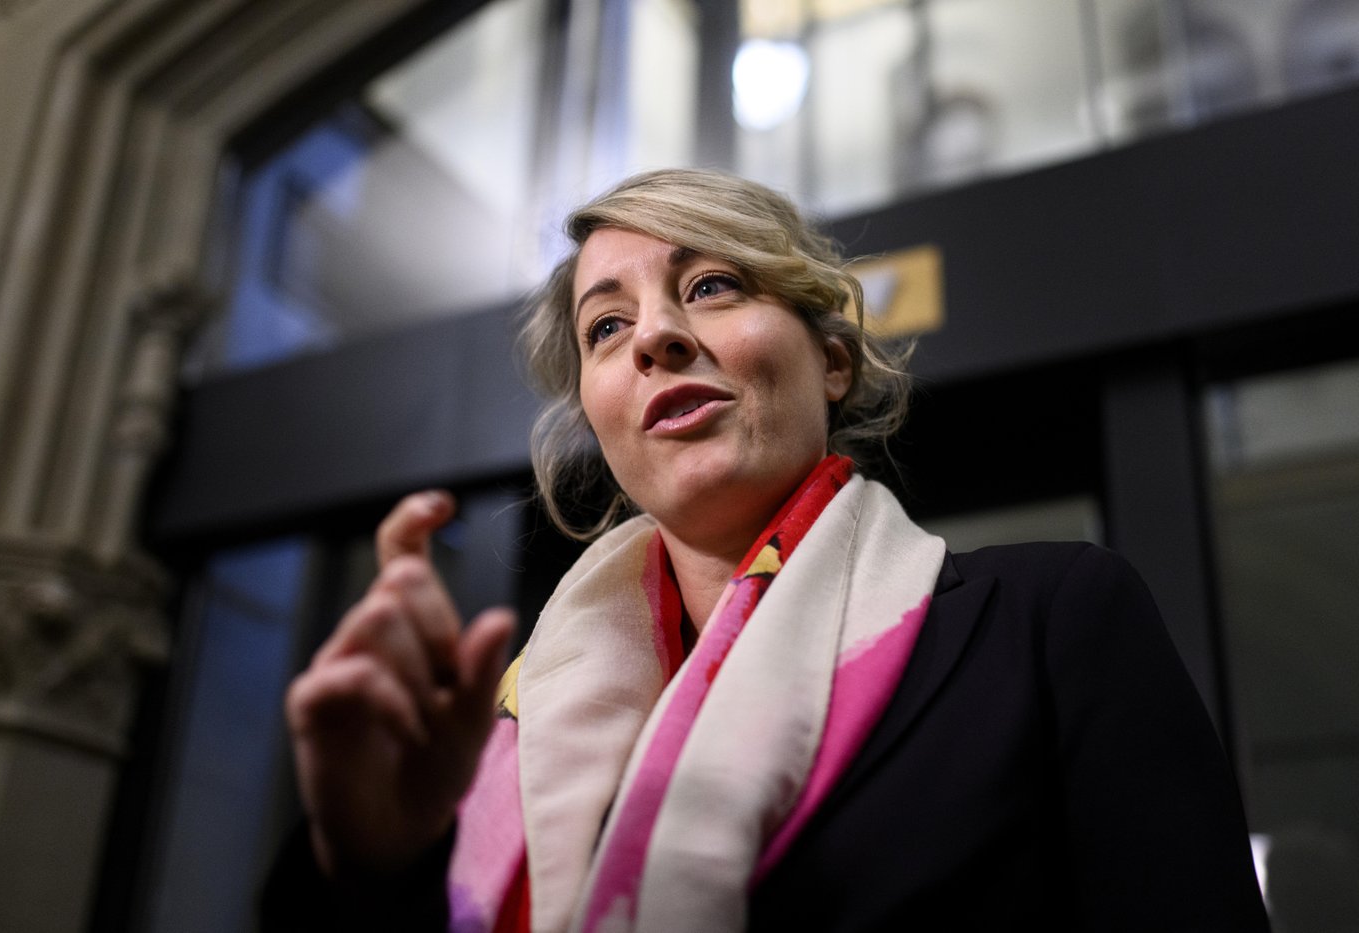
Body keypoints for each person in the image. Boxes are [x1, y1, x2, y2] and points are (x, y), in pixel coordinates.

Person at [263, 169, 1270, 932]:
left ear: (829, 363)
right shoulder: (496, 735)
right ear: (600, 421)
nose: (653, 336)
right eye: (605, 327)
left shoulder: (1049, 622)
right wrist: (362, 862)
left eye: (707, 286)